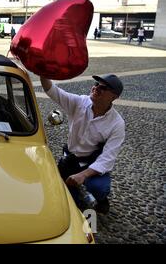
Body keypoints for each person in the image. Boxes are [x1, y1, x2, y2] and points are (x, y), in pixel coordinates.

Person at [40, 74, 125, 214]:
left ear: (114, 97)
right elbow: (52, 90)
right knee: (68, 202)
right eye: (96, 84)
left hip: (91, 163)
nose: (96, 88)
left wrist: (83, 175)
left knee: (99, 188)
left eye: (103, 88)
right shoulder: (79, 102)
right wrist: (43, 72)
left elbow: (107, 159)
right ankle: (76, 192)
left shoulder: (117, 123)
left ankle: (102, 199)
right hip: (70, 160)